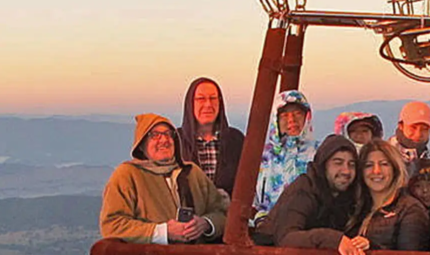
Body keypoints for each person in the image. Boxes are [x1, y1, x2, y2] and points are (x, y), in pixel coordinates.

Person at [100, 113, 228, 243]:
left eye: (168, 134)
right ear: (142, 143)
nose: (164, 140)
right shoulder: (128, 175)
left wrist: (206, 223)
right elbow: (112, 225)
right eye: (155, 135)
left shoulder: (192, 172)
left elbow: (222, 212)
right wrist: (163, 232)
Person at [254, 134, 363, 255]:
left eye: (351, 164)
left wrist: (361, 241)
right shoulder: (304, 189)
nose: (346, 171)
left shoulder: (348, 197)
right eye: (338, 163)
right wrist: (332, 239)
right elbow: (286, 238)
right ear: (324, 165)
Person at [341, 139, 430, 255]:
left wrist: (372, 249)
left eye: (384, 164)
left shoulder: (410, 210)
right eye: (369, 165)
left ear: (395, 168)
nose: (376, 171)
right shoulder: (353, 206)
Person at [252, 90, 317, 219]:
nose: (291, 120)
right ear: (275, 120)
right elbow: (252, 200)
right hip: (267, 225)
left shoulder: (319, 153)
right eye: (284, 115)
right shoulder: (262, 157)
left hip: (308, 226)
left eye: (297, 113)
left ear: (307, 116)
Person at [176, 77, 245, 197]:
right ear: (190, 103)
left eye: (213, 98)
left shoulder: (236, 140)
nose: (208, 104)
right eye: (201, 99)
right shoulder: (176, 141)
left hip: (229, 208)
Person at [389, 100, 430, 179]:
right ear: (401, 126)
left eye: (424, 129)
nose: (418, 134)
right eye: (413, 128)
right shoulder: (386, 157)